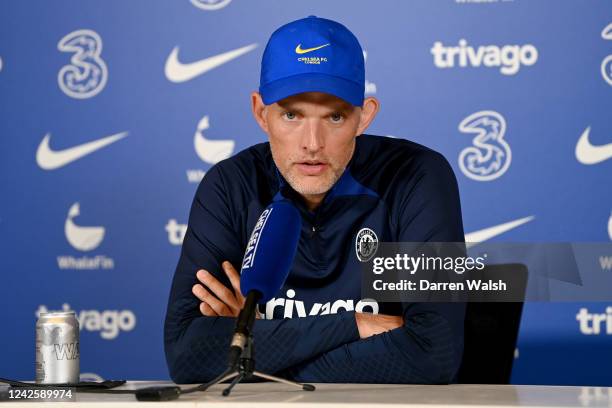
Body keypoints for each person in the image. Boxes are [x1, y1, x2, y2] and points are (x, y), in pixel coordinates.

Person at [164, 15, 465, 384]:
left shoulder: (417, 177)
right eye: (292, 114)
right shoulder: (229, 186)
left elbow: (433, 355)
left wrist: (255, 350)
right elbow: (185, 356)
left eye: (334, 117)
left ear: (364, 116)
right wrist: (353, 325)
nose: (312, 143)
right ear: (261, 112)